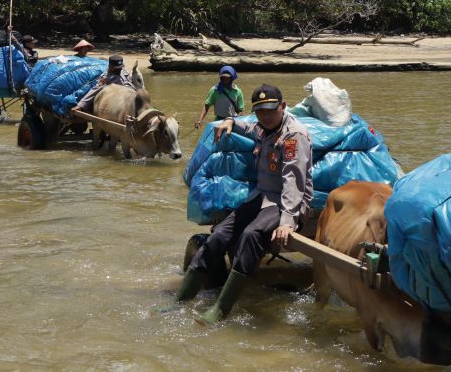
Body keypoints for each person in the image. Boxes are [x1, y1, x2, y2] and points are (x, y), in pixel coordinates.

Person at [170, 84, 313, 324]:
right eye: (260, 112)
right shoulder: (264, 128)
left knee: (250, 235)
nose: (265, 116)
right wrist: (230, 121)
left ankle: (221, 309)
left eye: (270, 110)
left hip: (287, 202)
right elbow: (250, 128)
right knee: (219, 235)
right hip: (262, 196)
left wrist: (288, 222)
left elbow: (293, 181)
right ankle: (180, 300)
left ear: (283, 106)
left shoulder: (293, 137)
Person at [71, 54, 136, 113]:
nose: (119, 69)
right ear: (110, 66)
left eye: (120, 67)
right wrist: (81, 105)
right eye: (117, 68)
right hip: (117, 99)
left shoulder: (124, 72)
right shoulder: (106, 78)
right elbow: (95, 90)